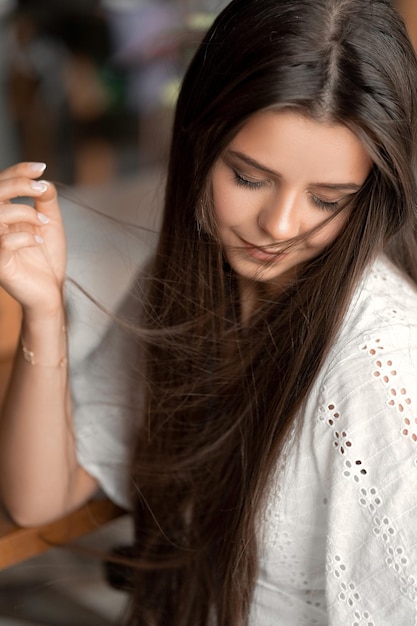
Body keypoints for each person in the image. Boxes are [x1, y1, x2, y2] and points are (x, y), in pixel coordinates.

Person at [1, 0, 417, 623]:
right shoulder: (191, 283)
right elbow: (42, 497)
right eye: (249, 178)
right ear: (198, 141)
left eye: (328, 199)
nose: (279, 226)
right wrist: (42, 309)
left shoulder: (378, 367)